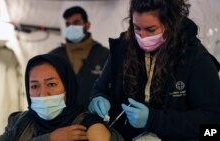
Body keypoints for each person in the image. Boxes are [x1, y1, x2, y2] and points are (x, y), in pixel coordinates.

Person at [88, 0, 220, 140]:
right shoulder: (122, 49)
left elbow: (212, 123)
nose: (142, 36)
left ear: (170, 23)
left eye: (151, 29)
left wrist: (154, 120)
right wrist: (99, 99)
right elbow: (100, 89)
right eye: (136, 28)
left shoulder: (194, 57)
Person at [0, 54, 111, 141]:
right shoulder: (20, 122)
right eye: (34, 86)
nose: (43, 94)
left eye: (51, 84)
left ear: (68, 86)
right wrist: (49, 139)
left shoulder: (87, 126)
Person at [49, 6, 109, 107]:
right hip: (63, 119)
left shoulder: (105, 55)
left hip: (95, 118)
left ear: (87, 25)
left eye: (76, 23)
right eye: (68, 24)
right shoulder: (53, 56)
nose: (71, 27)